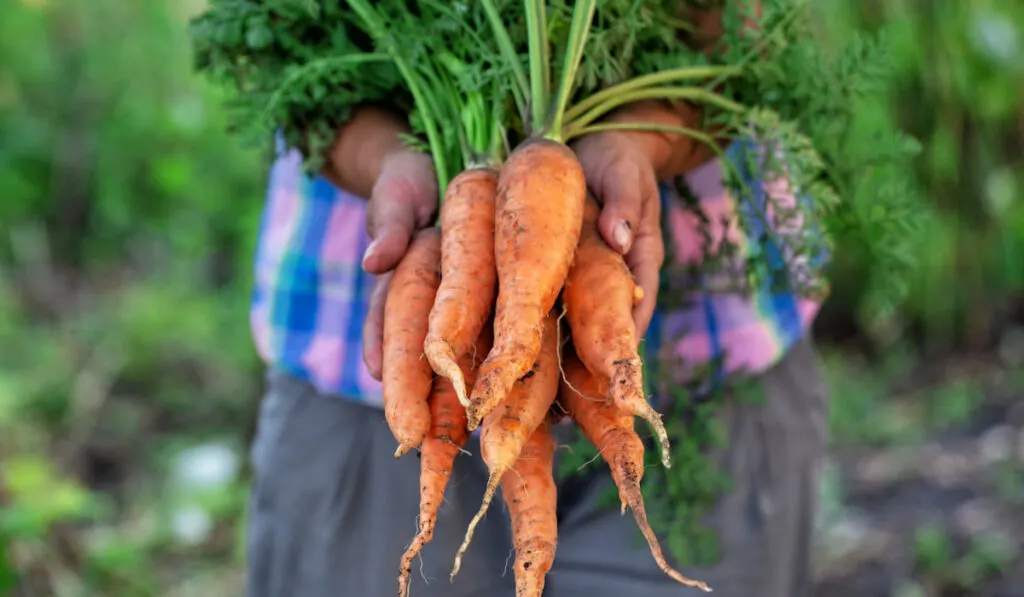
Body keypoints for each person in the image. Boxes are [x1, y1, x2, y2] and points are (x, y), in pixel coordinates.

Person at [243, 6, 829, 597]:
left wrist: (639, 139)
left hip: (709, 348)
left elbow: (738, 35)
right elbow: (277, 47)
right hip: (366, 378)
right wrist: (386, 162)